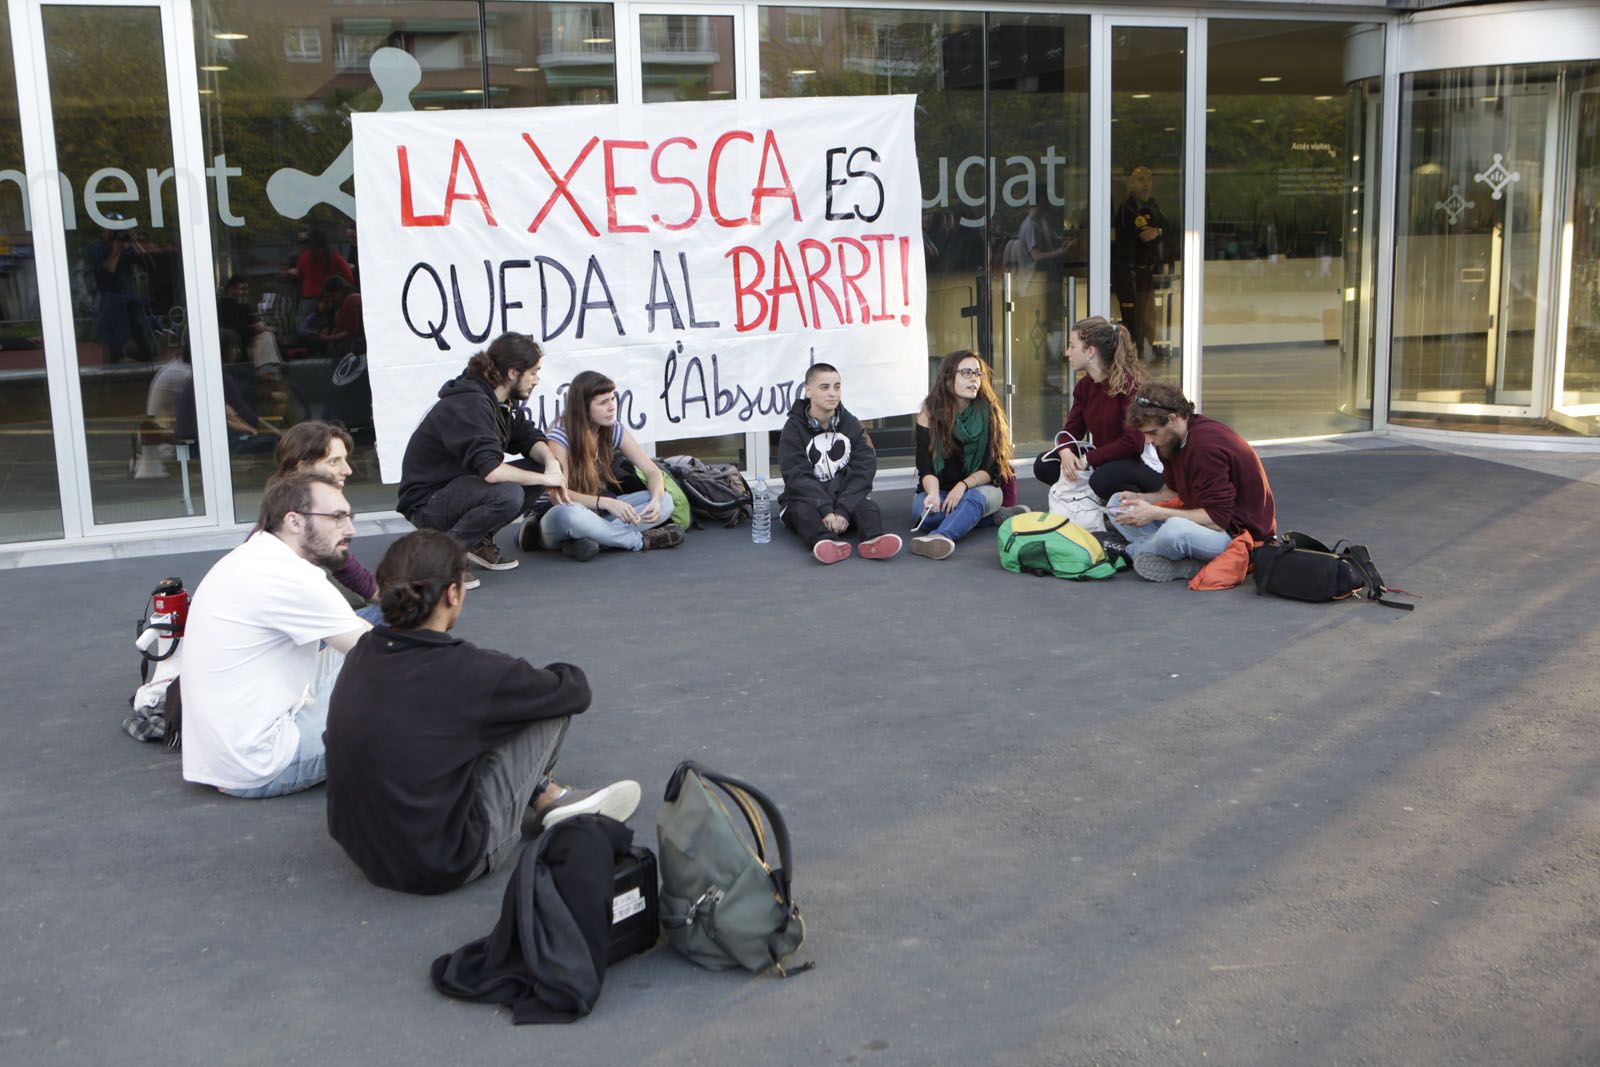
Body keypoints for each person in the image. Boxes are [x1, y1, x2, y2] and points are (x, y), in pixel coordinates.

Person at [324, 530, 641, 895]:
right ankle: (544, 793)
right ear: (452, 593)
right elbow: (573, 689)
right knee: (542, 706)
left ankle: (545, 794)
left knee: (455, 721)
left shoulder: (363, 650)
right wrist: (514, 686)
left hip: (363, 850)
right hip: (446, 860)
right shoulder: (469, 669)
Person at [180, 472, 371, 797]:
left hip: (221, 755)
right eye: (337, 518)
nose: (350, 529)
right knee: (396, 669)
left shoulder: (254, 554)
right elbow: (382, 656)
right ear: (294, 521)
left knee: (375, 626)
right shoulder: (291, 576)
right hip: (265, 762)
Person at [397, 332, 566, 582]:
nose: (536, 380)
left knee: (540, 469)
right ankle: (443, 558)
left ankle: (477, 542)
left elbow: (528, 436)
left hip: (460, 490)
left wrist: (551, 465)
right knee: (508, 493)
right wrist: (549, 479)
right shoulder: (470, 404)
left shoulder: (501, 401)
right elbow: (492, 471)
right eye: (533, 372)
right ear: (513, 372)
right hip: (427, 502)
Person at [1109, 381, 1277, 582]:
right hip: (1205, 518)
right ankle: (1178, 557)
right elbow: (1175, 493)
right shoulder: (1171, 440)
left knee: (1175, 530)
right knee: (1117, 503)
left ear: (1173, 419)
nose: (1149, 440)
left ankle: (1131, 552)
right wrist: (1141, 499)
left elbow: (1218, 520)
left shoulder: (1204, 448)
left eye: (1152, 432)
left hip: (1237, 534)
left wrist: (1155, 512)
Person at [536, 370, 683, 560]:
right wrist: (605, 502)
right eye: (603, 402)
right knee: (573, 516)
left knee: (666, 501)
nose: (612, 407)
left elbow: (652, 471)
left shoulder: (612, 429)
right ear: (583, 407)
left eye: (612, 399)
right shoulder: (560, 435)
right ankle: (639, 541)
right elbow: (558, 497)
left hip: (597, 513)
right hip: (557, 514)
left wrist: (655, 500)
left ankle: (594, 539)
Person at [777, 362, 901, 564]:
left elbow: (864, 469)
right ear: (808, 390)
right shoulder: (793, 428)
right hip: (808, 502)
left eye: (837, 387)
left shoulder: (852, 425)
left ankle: (874, 540)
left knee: (867, 506)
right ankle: (826, 542)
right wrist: (825, 509)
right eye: (824, 387)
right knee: (801, 511)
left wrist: (843, 509)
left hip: (843, 502)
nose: (832, 393)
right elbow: (797, 476)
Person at [1035, 316, 1166, 501]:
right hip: (1104, 460)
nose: (1067, 352)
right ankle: (1091, 499)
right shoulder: (1084, 386)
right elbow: (1072, 430)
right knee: (1044, 464)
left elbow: (1133, 443)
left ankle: (1131, 502)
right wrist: (1065, 451)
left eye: (1072, 346)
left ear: (1090, 351)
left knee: (1102, 479)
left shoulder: (1128, 385)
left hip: (1138, 463)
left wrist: (1089, 458)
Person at [911, 351, 1027, 560]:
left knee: (972, 499)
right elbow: (925, 467)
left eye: (977, 373)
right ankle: (992, 518)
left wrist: (962, 486)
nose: (974, 378)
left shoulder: (989, 412)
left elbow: (993, 468)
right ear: (948, 379)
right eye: (966, 373)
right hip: (942, 490)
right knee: (925, 515)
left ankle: (940, 537)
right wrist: (933, 495)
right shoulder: (929, 416)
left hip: (981, 489)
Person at [273, 421, 378, 612]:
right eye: (334, 461)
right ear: (302, 468)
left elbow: (359, 579)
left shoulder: (297, 512)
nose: (347, 470)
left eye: (345, 459)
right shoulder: (287, 529)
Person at [1112, 165, 1172, 361]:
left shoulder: (1153, 206)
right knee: (1133, 321)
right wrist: (1160, 232)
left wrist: (1160, 231)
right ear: (1132, 183)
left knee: (1149, 317)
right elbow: (1147, 235)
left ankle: (1147, 354)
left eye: (1148, 179)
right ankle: (1131, 361)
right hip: (1129, 273)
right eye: (1140, 180)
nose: (1146, 184)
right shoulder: (1129, 208)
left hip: (1147, 273)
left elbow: (1169, 228)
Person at [217, 275, 284, 376]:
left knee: (266, 334)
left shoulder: (243, 306)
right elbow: (237, 331)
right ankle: (269, 372)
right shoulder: (223, 307)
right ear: (231, 289)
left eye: (245, 289)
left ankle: (270, 371)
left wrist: (261, 327)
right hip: (235, 343)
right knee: (265, 336)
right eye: (241, 289)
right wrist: (259, 329)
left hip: (246, 341)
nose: (244, 292)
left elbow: (251, 322)